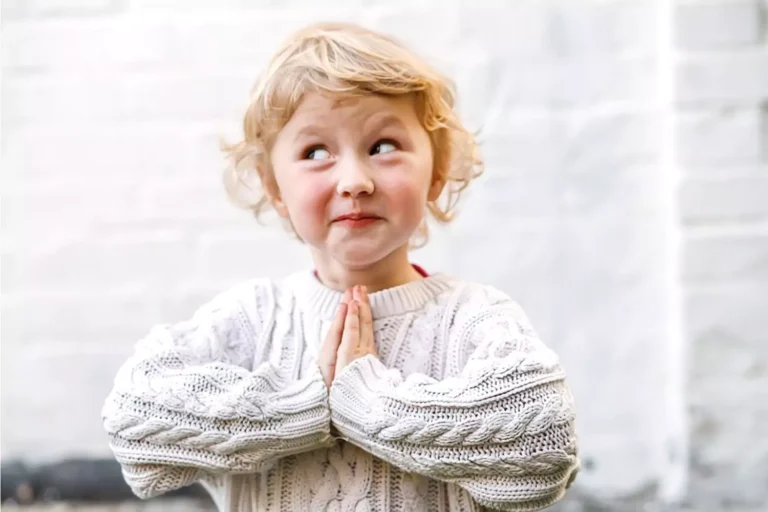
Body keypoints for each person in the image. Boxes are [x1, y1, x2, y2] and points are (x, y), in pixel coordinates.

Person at [102, 21, 579, 512]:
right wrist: (305, 407)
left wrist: (367, 404)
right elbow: (133, 418)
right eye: (315, 152)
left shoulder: (472, 316)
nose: (354, 180)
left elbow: (545, 444)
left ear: (435, 172)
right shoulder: (253, 318)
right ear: (274, 187)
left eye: (383, 146)